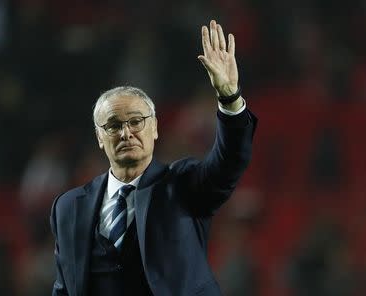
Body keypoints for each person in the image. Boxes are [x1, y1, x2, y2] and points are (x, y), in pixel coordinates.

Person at [50, 20, 258, 296]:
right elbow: (64, 288)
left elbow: (228, 162)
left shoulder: (182, 185)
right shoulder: (67, 208)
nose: (126, 133)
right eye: (113, 126)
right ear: (100, 138)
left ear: (156, 128)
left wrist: (230, 98)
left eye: (136, 122)